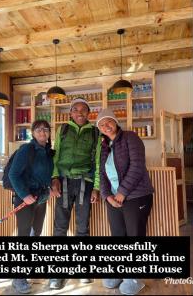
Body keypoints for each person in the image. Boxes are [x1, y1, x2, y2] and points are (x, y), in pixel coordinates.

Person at [96, 108, 154, 295]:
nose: (106, 126)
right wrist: (107, 196)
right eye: (101, 124)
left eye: (108, 122)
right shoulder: (104, 146)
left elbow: (137, 166)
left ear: (115, 122)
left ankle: (134, 278)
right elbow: (102, 174)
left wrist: (121, 193)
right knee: (118, 237)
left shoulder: (131, 137)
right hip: (113, 199)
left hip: (136, 196)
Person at [49, 97, 100, 290]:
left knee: (82, 228)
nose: (80, 113)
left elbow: (97, 161)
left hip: (84, 185)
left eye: (84, 110)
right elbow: (55, 155)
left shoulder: (95, 132)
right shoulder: (63, 129)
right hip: (63, 183)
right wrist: (54, 177)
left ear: (89, 113)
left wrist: (95, 186)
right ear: (70, 113)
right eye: (76, 110)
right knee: (60, 228)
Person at [9, 120, 54, 294]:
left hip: (40, 200)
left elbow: (47, 175)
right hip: (25, 200)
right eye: (38, 129)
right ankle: (18, 278)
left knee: (36, 233)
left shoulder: (48, 152)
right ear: (33, 133)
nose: (42, 132)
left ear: (49, 133)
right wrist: (24, 195)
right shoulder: (26, 150)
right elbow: (14, 174)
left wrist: (51, 188)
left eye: (45, 129)